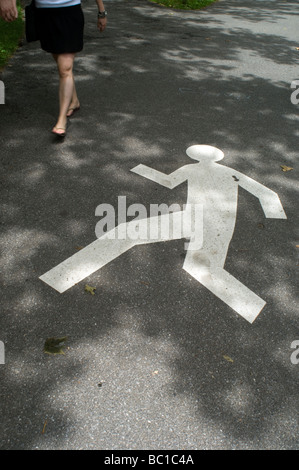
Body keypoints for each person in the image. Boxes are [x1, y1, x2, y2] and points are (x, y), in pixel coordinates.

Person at [0, 0, 107, 137]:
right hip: (44, 14)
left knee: (65, 68)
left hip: (69, 12)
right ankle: (74, 101)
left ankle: (61, 121)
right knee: (60, 62)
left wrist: (101, 12)